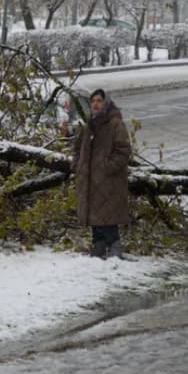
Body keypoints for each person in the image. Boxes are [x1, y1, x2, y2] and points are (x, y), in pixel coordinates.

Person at [71, 89, 132, 258]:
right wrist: (78, 166)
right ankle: (98, 247)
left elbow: (124, 150)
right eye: (93, 101)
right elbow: (77, 149)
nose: (95, 104)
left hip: (108, 181)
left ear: (106, 103)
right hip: (90, 180)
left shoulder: (115, 123)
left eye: (99, 100)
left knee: (108, 217)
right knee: (95, 216)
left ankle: (114, 250)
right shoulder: (89, 125)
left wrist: (107, 167)